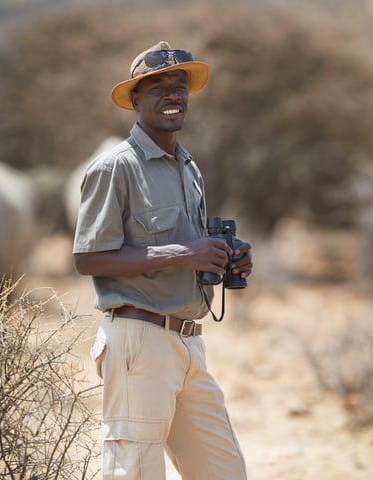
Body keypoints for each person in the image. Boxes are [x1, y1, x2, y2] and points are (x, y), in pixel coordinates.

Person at [73, 41, 252, 480]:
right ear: (135, 100)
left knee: (224, 471)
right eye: (157, 86)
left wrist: (226, 258)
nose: (172, 94)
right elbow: (87, 258)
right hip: (140, 341)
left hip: (190, 344)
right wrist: (184, 253)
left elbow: (189, 249)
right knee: (134, 473)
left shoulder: (188, 167)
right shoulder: (116, 166)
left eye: (179, 86)